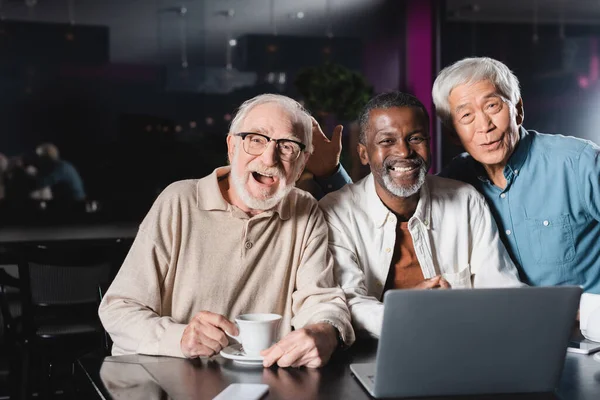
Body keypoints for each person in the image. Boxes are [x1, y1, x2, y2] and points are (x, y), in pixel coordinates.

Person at [98, 94, 354, 368]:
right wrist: (180, 337)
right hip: (168, 380)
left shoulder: (305, 211)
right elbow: (118, 309)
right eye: (256, 139)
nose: (270, 157)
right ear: (232, 147)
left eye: (288, 146)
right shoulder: (179, 201)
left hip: (263, 383)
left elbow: (320, 299)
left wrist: (323, 332)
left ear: (303, 163)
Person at [319, 91, 523, 337]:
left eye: (415, 138)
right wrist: (408, 312)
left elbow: (500, 287)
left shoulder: (466, 201)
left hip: (461, 342)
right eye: (387, 141)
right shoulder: (337, 211)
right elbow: (347, 301)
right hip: (371, 353)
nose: (404, 152)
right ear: (364, 153)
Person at [432, 57, 600, 294]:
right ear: (453, 134)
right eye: (466, 116)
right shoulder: (453, 183)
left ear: (518, 110)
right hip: (508, 326)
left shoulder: (579, 162)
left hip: (585, 327)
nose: (484, 126)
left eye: (492, 106)